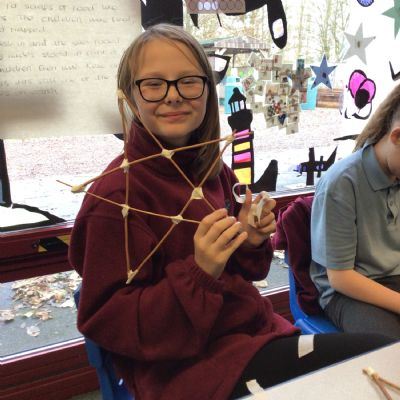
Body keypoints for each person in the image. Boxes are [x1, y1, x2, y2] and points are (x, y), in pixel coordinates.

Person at [69, 24, 395, 400]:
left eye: (188, 81)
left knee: (384, 360)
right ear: (129, 96)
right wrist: (199, 271)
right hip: (185, 372)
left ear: (208, 91)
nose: (173, 96)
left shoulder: (211, 169)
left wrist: (249, 240)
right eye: (154, 84)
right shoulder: (115, 198)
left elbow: (247, 273)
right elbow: (108, 324)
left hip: (251, 339)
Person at [310, 83, 400, 339]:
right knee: (391, 350)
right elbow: (341, 278)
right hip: (348, 291)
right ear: (396, 137)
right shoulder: (341, 182)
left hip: (393, 276)